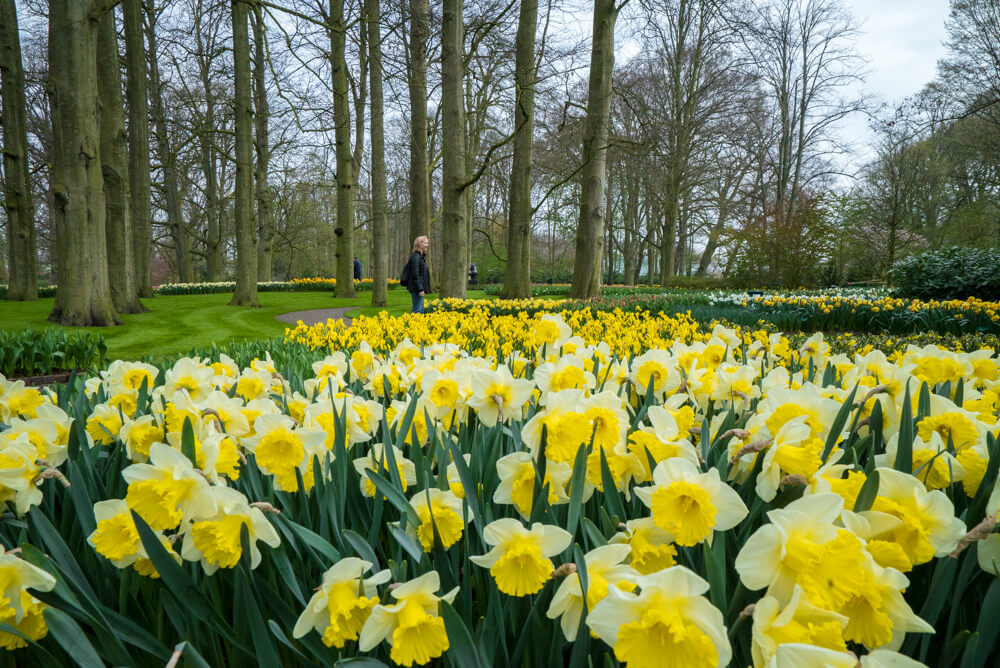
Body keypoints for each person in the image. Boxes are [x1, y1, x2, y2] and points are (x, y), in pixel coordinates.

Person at [404, 235, 430, 313]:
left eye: (427, 243)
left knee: (420, 310)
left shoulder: (420, 257)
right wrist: (420, 289)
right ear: (420, 244)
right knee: (417, 310)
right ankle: (412, 324)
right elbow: (415, 275)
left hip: (418, 288)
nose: (427, 245)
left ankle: (417, 324)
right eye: (425, 243)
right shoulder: (416, 257)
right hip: (416, 289)